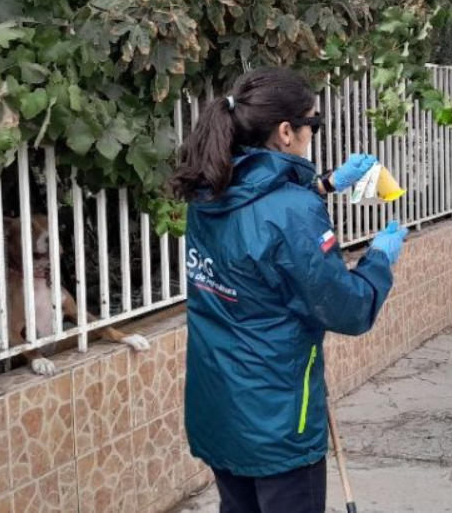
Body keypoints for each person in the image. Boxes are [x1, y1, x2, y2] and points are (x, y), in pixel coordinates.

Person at [170, 67, 408, 513]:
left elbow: (259, 233)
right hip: (277, 417)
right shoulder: (290, 211)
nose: (312, 133)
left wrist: (323, 185)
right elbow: (349, 309)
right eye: (312, 124)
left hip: (219, 406)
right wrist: (379, 260)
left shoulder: (210, 190)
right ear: (285, 132)